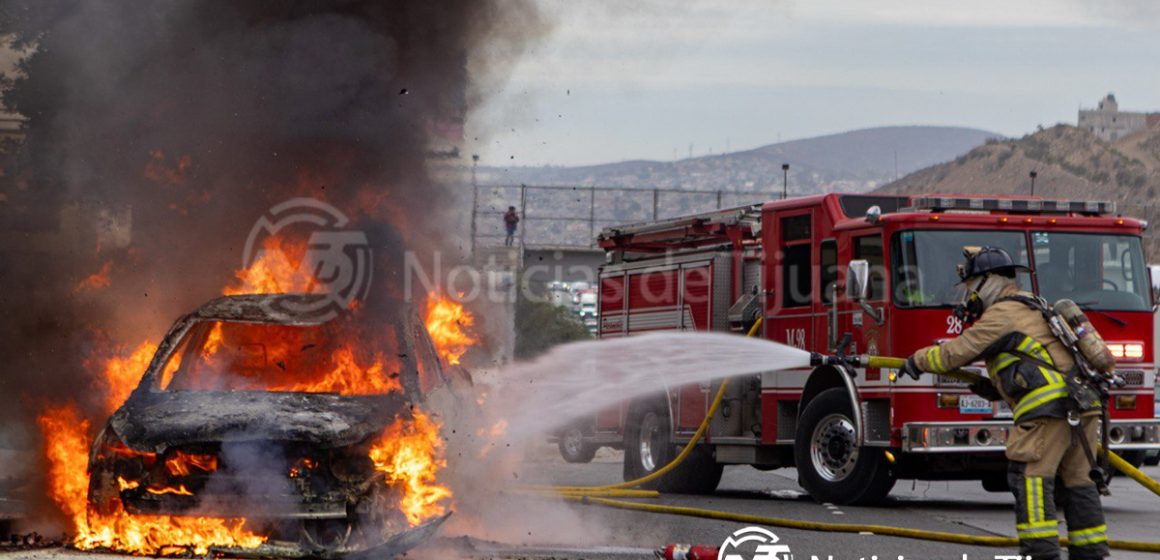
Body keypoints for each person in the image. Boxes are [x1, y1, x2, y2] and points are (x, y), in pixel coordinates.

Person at [899, 246, 1108, 560]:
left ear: (987, 281)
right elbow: (1038, 361)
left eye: (970, 287)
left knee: (1029, 477)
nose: (967, 296)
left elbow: (954, 352)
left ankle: (1041, 553)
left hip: (1048, 412)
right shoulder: (1034, 306)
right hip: (1082, 405)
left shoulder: (1002, 313)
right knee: (1079, 481)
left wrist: (916, 361)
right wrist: (994, 387)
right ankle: (1090, 553)